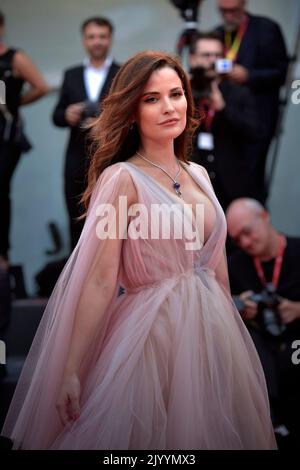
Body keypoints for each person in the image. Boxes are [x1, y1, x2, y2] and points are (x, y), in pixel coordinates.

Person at [2, 51, 276, 450]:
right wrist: (72, 370)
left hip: (214, 332)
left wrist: (231, 337)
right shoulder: (122, 180)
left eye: (176, 94)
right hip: (152, 335)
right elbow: (99, 279)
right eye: (152, 99)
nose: (169, 107)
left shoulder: (198, 174)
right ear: (131, 111)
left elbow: (216, 267)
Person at [226, 198, 300, 439]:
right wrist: (238, 306)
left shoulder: (297, 251)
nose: (245, 243)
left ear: (265, 217)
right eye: (237, 239)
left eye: (247, 232)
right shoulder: (234, 266)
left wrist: (298, 309)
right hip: (263, 359)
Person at [0, 10, 48, 344]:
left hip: (5, 138)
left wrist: (15, 104)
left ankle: (3, 256)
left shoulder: (14, 57)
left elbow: (41, 87)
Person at [53, 16, 120, 252]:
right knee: (76, 221)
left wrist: (105, 121)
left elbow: (130, 113)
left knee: (113, 222)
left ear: (110, 38)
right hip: (76, 158)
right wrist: (68, 114)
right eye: (92, 37)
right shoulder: (71, 74)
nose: (97, 42)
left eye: (102, 36)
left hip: (111, 157)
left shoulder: (122, 73)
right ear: (84, 40)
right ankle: (77, 284)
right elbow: (56, 115)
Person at [215, 0, 288, 203]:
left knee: (251, 182)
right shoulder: (218, 33)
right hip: (226, 119)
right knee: (223, 180)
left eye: (233, 11)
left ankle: (252, 228)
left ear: (244, 5)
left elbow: (282, 73)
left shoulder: (266, 29)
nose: (228, 16)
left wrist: (249, 76)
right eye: (223, 11)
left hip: (257, 121)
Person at [189, 31, 261, 210]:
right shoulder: (182, 93)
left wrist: (224, 109)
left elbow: (256, 134)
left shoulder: (238, 93)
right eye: (206, 55)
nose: (212, 61)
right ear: (192, 59)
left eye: (217, 55)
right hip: (191, 187)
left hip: (232, 188)